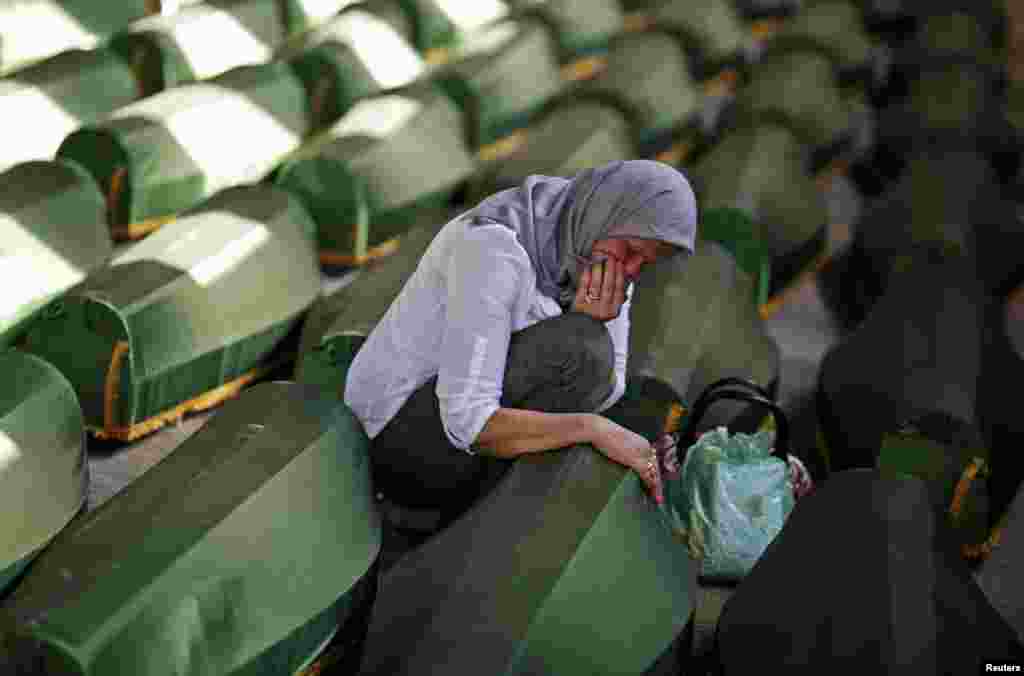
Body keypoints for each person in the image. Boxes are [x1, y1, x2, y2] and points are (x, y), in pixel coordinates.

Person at [344, 160, 697, 520]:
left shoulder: (597, 253)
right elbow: (469, 422)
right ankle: (469, 519)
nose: (634, 270)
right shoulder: (491, 250)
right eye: (631, 250)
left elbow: (610, 388)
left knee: (651, 404)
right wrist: (592, 429)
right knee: (582, 348)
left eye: (646, 263)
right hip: (401, 442)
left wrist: (636, 429)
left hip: (477, 415)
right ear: (604, 215)